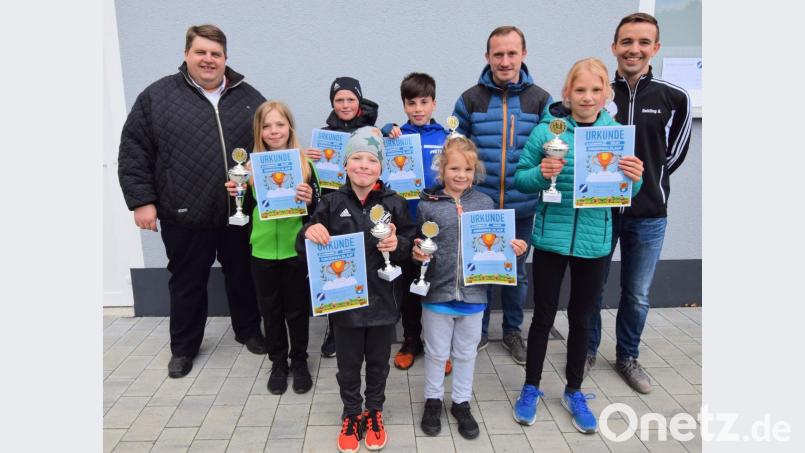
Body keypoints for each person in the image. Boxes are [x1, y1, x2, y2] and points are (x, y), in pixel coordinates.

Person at [118, 24, 267, 379]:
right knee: (187, 281)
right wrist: (142, 201)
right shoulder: (157, 97)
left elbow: (271, 142)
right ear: (186, 54)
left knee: (243, 274)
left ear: (226, 58)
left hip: (239, 210)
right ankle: (184, 348)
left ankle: (248, 329)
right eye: (201, 52)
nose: (208, 59)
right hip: (184, 211)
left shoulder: (249, 97)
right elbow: (134, 150)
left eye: (216, 53)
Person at [512, 58, 644, 434]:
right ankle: (531, 387)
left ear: (606, 95)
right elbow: (521, 179)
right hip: (550, 238)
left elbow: (626, 191)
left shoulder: (617, 134)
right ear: (567, 93)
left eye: (595, 90)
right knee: (542, 317)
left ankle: (574, 390)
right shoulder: (546, 132)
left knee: (582, 318)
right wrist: (542, 174)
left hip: (595, 241)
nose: (587, 97)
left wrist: (635, 179)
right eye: (580, 90)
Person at [586, 12, 693, 394]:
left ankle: (627, 357)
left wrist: (644, 180)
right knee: (592, 288)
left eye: (643, 42)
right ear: (614, 47)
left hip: (648, 214)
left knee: (637, 293)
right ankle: (586, 350)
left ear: (655, 48)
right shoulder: (597, 92)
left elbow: (672, 156)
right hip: (599, 211)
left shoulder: (674, 98)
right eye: (627, 42)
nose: (634, 49)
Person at [300, 126, 415, 453]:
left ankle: (374, 411)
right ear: (345, 164)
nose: (364, 165)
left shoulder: (395, 203)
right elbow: (303, 243)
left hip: (384, 301)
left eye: (372, 160)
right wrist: (309, 232)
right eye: (357, 159)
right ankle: (352, 414)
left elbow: (411, 242)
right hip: (345, 305)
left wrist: (398, 244)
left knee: (378, 363)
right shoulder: (330, 203)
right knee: (348, 366)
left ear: (381, 167)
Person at [413, 136, 528, 439]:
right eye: (454, 168)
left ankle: (461, 402)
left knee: (466, 353)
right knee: (436, 353)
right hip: (437, 293)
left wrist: (515, 250)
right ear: (442, 170)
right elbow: (421, 243)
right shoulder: (427, 205)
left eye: (467, 169)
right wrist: (418, 253)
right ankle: (433, 400)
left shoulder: (485, 203)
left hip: (474, 295)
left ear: (475, 171)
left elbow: (497, 244)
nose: (460, 175)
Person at [452, 25, 552, 364]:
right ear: (487, 57)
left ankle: (512, 331)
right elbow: (457, 149)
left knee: (516, 273)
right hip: (480, 205)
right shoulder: (470, 99)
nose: (505, 61)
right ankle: (477, 330)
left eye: (512, 53)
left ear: (524, 54)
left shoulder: (541, 100)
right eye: (498, 54)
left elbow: (551, 147)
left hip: (523, 206)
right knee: (479, 270)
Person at [225, 101, 320, 395]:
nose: (274, 131)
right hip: (262, 250)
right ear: (259, 130)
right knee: (271, 310)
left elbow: (319, 209)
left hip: (295, 250)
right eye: (267, 126)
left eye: (280, 124)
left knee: (297, 310)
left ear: (290, 127)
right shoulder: (247, 169)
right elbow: (243, 210)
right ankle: (278, 362)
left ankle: (299, 360)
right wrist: (236, 192)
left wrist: (310, 199)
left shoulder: (305, 165)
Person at [380, 72, 451, 374]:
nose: (418, 109)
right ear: (404, 105)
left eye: (424, 102)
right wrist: (383, 133)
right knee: (410, 285)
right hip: (407, 224)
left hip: (437, 222)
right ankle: (411, 340)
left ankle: (439, 345)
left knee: (436, 285)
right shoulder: (396, 137)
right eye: (412, 103)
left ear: (434, 103)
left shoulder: (446, 137)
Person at [304, 76, 380, 359]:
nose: (345, 105)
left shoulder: (372, 132)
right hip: (335, 208)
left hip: (367, 205)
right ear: (332, 103)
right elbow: (312, 181)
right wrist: (306, 159)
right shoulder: (323, 135)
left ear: (359, 101)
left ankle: (375, 324)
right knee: (338, 266)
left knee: (368, 265)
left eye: (350, 99)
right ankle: (336, 328)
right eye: (339, 100)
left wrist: (390, 132)